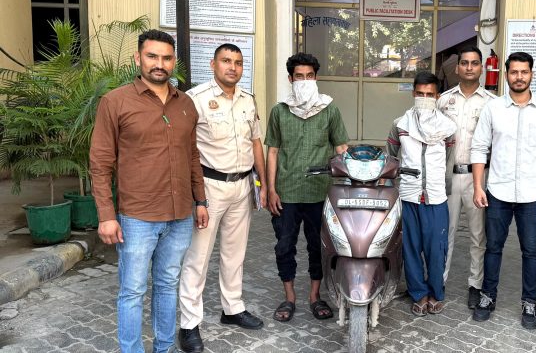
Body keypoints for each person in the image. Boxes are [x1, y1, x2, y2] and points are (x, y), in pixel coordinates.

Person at [89, 29, 208, 353]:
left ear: (173, 62)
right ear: (137, 58)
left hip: (179, 215)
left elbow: (192, 156)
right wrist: (106, 216)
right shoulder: (115, 102)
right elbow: (100, 163)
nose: (159, 63)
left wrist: (200, 200)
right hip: (137, 217)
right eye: (152, 56)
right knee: (132, 291)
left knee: (167, 285)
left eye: (166, 58)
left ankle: (164, 348)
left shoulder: (186, 104)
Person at [177, 44, 267, 352]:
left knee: (235, 253)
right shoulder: (196, 99)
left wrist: (263, 183)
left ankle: (233, 308)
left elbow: (256, 143)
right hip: (209, 187)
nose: (233, 67)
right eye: (226, 61)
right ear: (213, 64)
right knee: (198, 257)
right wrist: (196, 195)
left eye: (238, 62)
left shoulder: (248, 100)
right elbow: (186, 148)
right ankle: (189, 324)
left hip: (242, 186)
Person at [469, 52, 536, 328]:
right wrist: (478, 186)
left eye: (524, 72)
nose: (519, 77)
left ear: (531, 73)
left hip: (532, 194)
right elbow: (479, 148)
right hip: (497, 191)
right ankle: (488, 296)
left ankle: (529, 303)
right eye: (514, 72)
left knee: (531, 250)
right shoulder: (493, 108)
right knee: (493, 247)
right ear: (506, 75)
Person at [265, 52, 349, 322]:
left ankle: (315, 295)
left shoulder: (329, 110)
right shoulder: (279, 111)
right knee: (284, 245)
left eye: (309, 76)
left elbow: (341, 148)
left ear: (316, 78)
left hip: (319, 192)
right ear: (290, 79)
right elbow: (273, 152)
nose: (304, 81)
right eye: (299, 77)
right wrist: (270, 189)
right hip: (286, 192)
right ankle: (289, 297)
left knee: (318, 246)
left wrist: (354, 178)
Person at [386, 71, 457, 317]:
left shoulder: (448, 127)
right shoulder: (400, 125)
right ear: (413, 94)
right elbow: (391, 158)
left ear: (437, 96)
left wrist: (441, 184)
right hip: (408, 195)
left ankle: (436, 292)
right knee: (411, 248)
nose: (424, 98)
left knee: (437, 250)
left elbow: (448, 160)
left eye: (429, 94)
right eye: (420, 94)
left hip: (436, 197)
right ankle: (419, 293)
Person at [437, 46, 496, 310]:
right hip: (449, 177)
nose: (469, 67)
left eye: (474, 63)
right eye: (464, 63)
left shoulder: (493, 103)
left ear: (481, 67)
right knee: (444, 233)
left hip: (478, 178)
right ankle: (439, 281)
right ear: (457, 68)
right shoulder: (443, 101)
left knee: (478, 235)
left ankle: (475, 284)